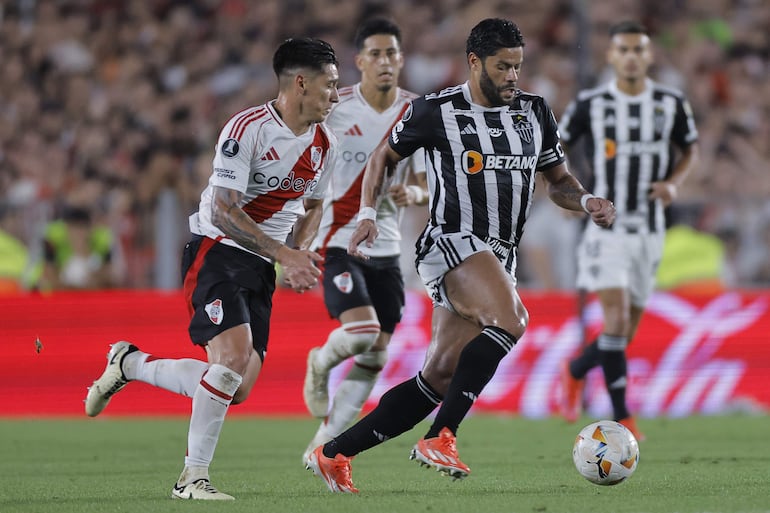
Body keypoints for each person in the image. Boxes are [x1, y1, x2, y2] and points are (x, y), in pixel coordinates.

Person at [305, 18, 616, 494]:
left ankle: (334, 453)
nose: (514, 75)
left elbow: (559, 182)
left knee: (439, 378)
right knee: (511, 319)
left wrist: (588, 200)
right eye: (503, 66)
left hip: (499, 254)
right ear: (475, 63)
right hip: (451, 240)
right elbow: (383, 158)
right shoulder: (436, 110)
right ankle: (442, 437)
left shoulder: (534, 111)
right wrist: (368, 211)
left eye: (518, 65)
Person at [84, 37, 339, 500]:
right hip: (216, 250)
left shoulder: (325, 144)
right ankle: (191, 479)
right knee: (228, 365)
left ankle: (129, 362)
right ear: (300, 83)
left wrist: (300, 254)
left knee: (234, 386)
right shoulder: (246, 129)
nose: (336, 97)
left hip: (263, 266)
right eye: (330, 86)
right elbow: (223, 210)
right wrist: (286, 255)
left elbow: (315, 206)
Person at [558, 20, 699, 441]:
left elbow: (689, 147)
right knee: (616, 321)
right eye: (624, 49)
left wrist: (674, 182)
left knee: (624, 332)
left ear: (649, 55)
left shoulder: (671, 102)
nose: (632, 56)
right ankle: (623, 416)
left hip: (650, 231)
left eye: (639, 49)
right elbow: (556, 148)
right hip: (607, 228)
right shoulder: (590, 103)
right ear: (611, 55)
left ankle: (576, 368)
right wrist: (570, 193)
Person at [300, 18, 428, 464]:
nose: (385, 62)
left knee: (375, 354)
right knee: (361, 332)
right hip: (338, 239)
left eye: (392, 53)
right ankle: (319, 363)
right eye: (375, 54)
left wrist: (414, 193)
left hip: (389, 249)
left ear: (402, 60)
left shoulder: (417, 112)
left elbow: (433, 185)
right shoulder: (337, 108)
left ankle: (325, 446)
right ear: (359, 62)